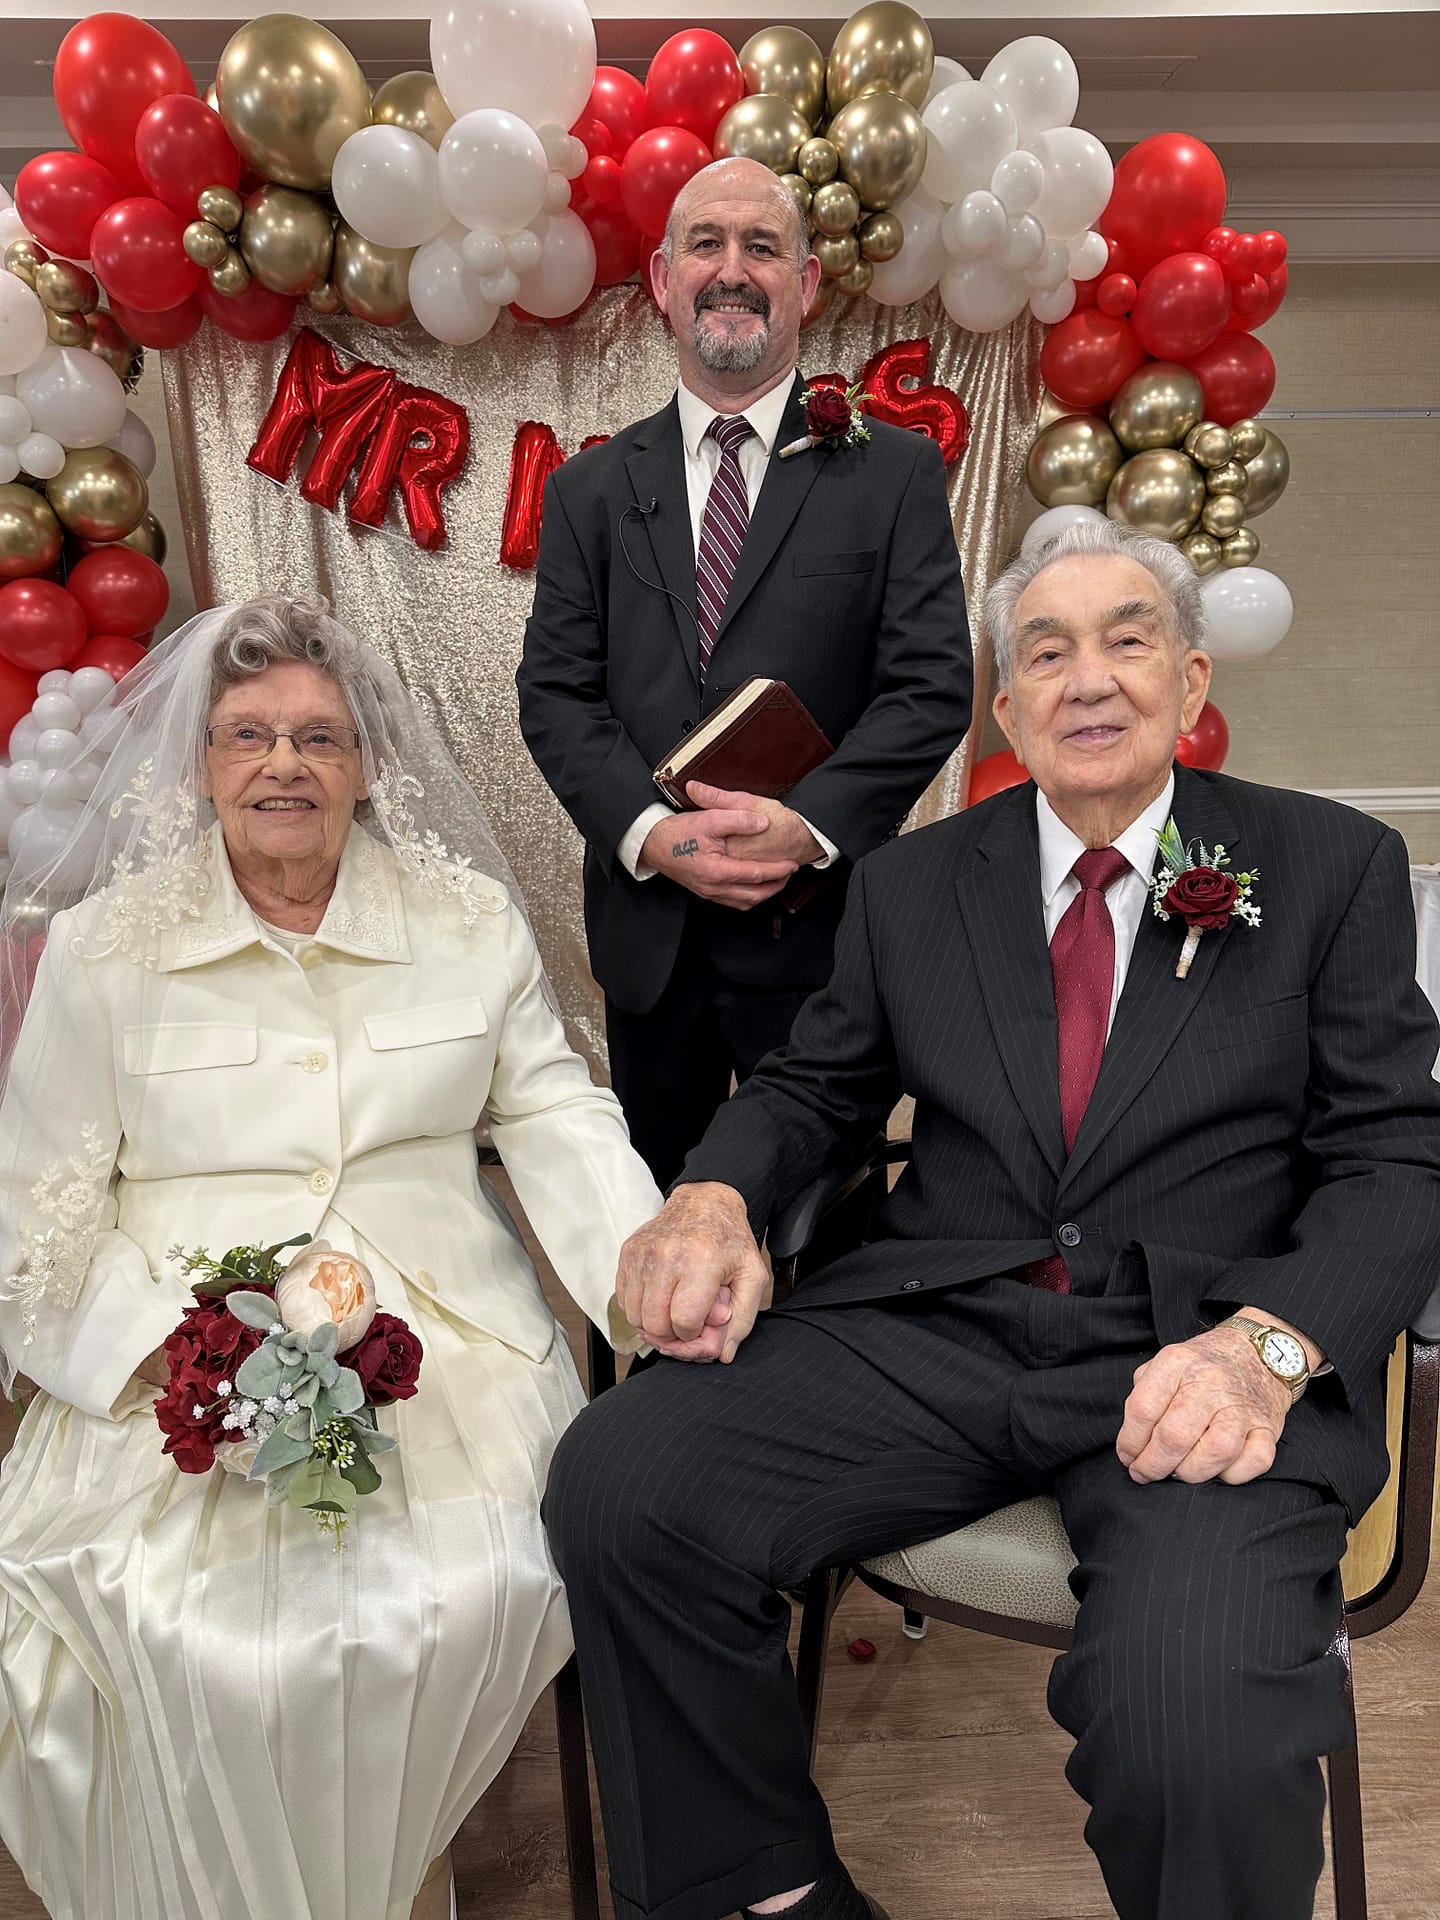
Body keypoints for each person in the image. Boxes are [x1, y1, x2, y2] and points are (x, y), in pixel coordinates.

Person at [544, 520, 1440, 1920]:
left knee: (1198, 1717)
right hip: (938, 1326)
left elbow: (1398, 1158)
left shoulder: (1329, 866)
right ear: (1006, 707)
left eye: (1128, 638)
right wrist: (716, 1193)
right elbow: (815, 1086)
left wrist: (1269, 1349)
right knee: (622, 1478)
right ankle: (772, 1891)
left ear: (1192, 683)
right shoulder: (907, 887)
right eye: (1045, 650)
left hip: (1194, 1346)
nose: (1089, 678)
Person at [0, 595, 666, 1920]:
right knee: (145, 1622)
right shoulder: (104, 946)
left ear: (369, 765)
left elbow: (549, 1110)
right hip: (171, 1352)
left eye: (319, 737)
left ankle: (390, 1867)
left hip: (452, 1347)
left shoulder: (467, 920)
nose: (284, 765)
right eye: (248, 735)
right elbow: (34, 1199)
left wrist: (642, 1265)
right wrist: (167, 1356)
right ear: (201, 762)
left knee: (468, 1591)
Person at [517, 156, 971, 1188]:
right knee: (656, 1245)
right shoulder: (589, 488)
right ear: (664, 280)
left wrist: (806, 827)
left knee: (826, 1239)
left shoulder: (893, 474)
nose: (732, 269)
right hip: (650, 947)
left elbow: (930, 684)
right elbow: (556, 693)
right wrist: (654, 833)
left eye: (761, 247)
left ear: (806, 284)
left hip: (821, 947)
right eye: (706, 245)